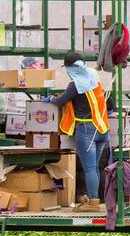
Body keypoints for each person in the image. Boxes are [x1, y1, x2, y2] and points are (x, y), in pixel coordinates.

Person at [47, 53, 110, 212]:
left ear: (71, 68)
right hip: (102, 129)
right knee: (94, 167)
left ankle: (93, 202)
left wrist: (49, 100)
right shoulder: (95, 79)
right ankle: (94, 199)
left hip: (87, 129)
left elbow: (60, 101)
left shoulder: (75, 85)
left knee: (89, 168)